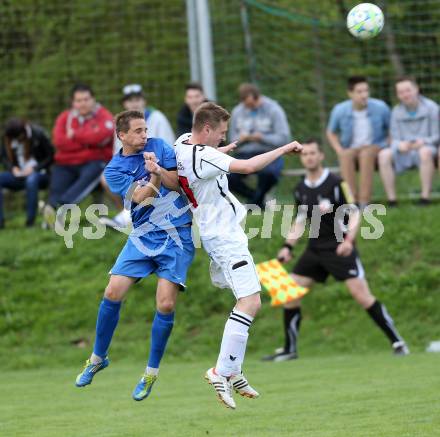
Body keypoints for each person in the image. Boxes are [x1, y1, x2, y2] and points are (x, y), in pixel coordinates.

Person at [174, 102, 302, 409]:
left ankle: (234, 368)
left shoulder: (181, 144)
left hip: (215, 231)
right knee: (251, 301)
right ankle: (221, 371)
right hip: (224, 237)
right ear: (206, 129)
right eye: (220, 132)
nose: (222, 137)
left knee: (244, 299)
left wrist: (223, 149)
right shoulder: (204, 155)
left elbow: (201, 156)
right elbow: (249, 168)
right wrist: (284, 148)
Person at [75, 110, 195, 401]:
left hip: (176, 234)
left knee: (165, 305)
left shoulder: (161, 147)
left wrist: (159, 171)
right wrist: (152, 175)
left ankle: (150, 373)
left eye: (145, 130)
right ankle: (97, 358)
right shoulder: (114, 170)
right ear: (123, 136)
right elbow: (139, 199)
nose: (145, 134)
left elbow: (176, 184)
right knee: (112, 292)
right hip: (142, 236)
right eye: (139, 131)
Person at [262, 139, 409, 363]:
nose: (309, 157)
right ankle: (289, 349)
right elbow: (300, 221)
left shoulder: (336, 183)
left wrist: (349, 240)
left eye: (313, 153)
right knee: (288, 292)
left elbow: (356, 214)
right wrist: (287, 247)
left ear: (321, 156)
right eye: (305, 154)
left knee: (362, 297)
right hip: (315, 249)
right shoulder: (300, 189)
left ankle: (398, 342)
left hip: (339, 247)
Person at [101, 83, 176, 228]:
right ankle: (126, 211)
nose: (134, 103)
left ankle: (128, 217)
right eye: (130, 100)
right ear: (125, 103)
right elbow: (119, 155)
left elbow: (170, 149)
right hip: (133, 167)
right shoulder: (121, 124)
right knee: (106, 177)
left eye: (137, 99)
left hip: (158, 164)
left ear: (144, 101)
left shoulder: (157, 117)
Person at [44, 83, 114, 227]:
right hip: (66, 162)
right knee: (57, 183)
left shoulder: (104, 116)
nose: (82, 103)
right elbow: (59, 142)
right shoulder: (64, 117)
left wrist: (74, 135)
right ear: (73, 102)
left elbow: (101, 136)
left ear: (93, 99)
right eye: (78, 100)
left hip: (94, 162)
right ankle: (51, 212)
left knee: (91, 174)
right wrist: (88, 143)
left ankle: (61, 208)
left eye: (86, 99)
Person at [327, 76, 390, 208]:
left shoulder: (381, 107)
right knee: (345, 155)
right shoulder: (339, 110)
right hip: (351, 148)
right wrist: (339, 149)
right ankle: (351, 201)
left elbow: (391, 129)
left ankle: (364, 201)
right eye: (359, 92)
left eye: (366, 91)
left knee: (366, 154)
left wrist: (386, 145)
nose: (364, 95)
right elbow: (331, 132)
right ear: (350, 93)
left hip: (375, 145)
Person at [228, 83, 291, 209]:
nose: (250, 108)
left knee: (269, 173)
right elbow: (231, 141)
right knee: (226, 176)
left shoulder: (274, 109)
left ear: (258, 97)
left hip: (269, 153)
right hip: (244, 154)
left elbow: (284, 138)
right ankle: (257, 201)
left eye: (253, 104)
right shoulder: (237, 111)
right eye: (247, 106)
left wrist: (262, 137)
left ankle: (254, 204)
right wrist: (241, 139)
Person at [378, 77, 439, 205]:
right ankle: (392, 200)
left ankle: (425, 197)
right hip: (404, 149)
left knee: (425, 152)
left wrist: (423, 142)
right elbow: (394, 138)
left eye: (408, 90)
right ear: (397, 95)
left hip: (426, 147)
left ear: (416, 90)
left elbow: (436, 135)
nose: (405, 94)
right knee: (383, 155)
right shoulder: (396, 111)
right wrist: (399, 145)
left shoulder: (432, 108)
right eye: (401, 92)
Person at [0, 118, 54, 228]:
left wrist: (35, 169)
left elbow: (51, 157)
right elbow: (4, 157)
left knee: (31, 180)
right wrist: (13, 169)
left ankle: (30, 223)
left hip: (41, 175)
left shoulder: (38, 134)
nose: (15, 141)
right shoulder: (8, 137)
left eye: (18, 138)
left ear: (23, 132)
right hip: (18, 175)